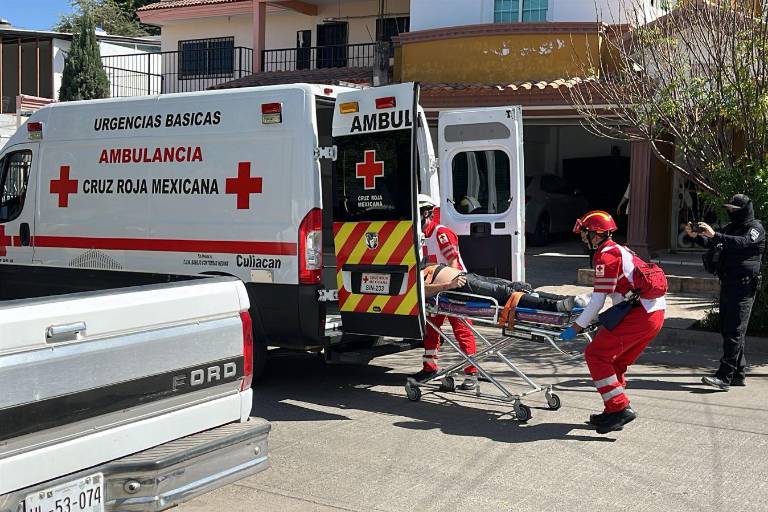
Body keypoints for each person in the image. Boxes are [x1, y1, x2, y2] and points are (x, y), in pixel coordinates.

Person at [560, 210, 666, 434]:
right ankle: (613, 411)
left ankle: (619, 408)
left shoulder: (605, 256)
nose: (581, 237)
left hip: (641, 315)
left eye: (584, 233)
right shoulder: (620, 249)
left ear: (597, 234)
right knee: (615, 362)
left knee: (595, 354)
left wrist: (576, 327)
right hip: (654, 313)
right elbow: (609, 294)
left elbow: (599, 298)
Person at [685, 194, 765, 391]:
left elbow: (743, 243)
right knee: (729, 329)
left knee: (735, 331)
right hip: (729, 283)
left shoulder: (756, 228)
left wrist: (715, 235)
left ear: (744, 210)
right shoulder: (731, 228)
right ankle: (738, 373)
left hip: (744, 286)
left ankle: (724, 376)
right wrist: (696, 236)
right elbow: (717, 244)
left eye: (734, 210)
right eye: (728, 209)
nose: (730, 213)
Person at [412, 194, 478, 390]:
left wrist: (450, 287)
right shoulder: (419, 236)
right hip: (436, 289)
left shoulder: (441, 233)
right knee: (431, 329)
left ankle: (472, 374)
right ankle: (429, 367)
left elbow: (453, 263)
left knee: (462, 331)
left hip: (454, 287)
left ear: (425, 214)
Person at [422, 263, 579, 313]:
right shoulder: (414, 275)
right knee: (507, 293)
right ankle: (554, 306)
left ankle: (566, 300)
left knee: (518, 287)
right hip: (459, 287)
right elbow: (423, 290)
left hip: (466, 276)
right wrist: (449, 285)